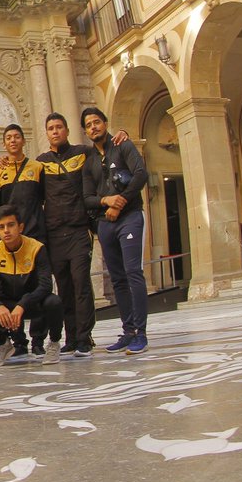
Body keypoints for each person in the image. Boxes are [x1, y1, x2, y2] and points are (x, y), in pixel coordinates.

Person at [81, 107, 151, 355]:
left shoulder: (123, 145)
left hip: (129, 217)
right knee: (118, 278)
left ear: (105, 123)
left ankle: (141, 333)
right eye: (88, 125)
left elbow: (141, 174)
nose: (93, 127)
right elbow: (87, 197)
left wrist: (120, 200)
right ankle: (128, 330)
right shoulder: (89, 161)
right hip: (106, 223)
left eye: (97, 122)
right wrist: (106, 202)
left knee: (133, 272)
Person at [0, 205, 64, 367]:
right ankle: (2, 345)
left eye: (11, 225)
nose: (6, 230)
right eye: (1, 227)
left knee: (54, 302)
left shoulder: (37, 248)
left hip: (31, 304)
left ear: (20, 227)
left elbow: (45, 285)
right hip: (6, 305)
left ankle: (54, 343)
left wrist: (23, 304)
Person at [36, 112, 97, 358]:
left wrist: (120, 137)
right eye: (50, 128)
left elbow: (104, 153)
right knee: (64, 288)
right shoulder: (41, 162)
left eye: (59, 127)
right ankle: (71, 337)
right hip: (54, 233)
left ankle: (85, 337)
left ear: (67, 130)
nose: (55, 131)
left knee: (81, 284)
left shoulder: (84, 153)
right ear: (46, 133)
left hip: (78, 230)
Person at [0, 124, 46, 355]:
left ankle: (38, 340)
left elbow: (44, 197)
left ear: (24, 141)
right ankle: (18, 340)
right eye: (8, 138)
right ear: (4, 144)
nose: (13, 141)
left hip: (34, 234)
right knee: (9, 290)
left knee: (38, 289)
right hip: (9, 241)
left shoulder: (37, 167)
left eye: (16, 137)